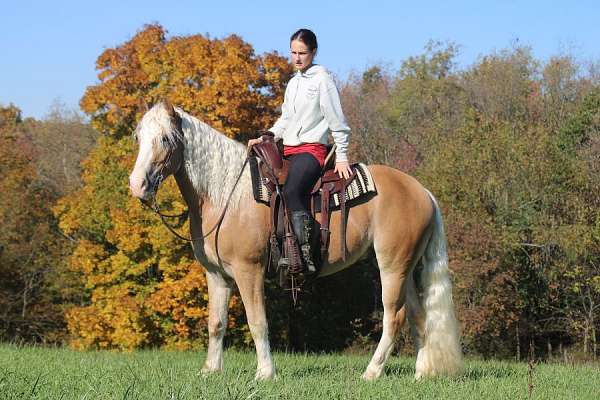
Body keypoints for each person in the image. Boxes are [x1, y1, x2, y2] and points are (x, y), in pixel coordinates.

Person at [248, 28, 351, 273]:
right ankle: (278, 249)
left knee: (292, 190)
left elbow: (337, 120)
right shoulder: (293, 83)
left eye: (302, 53)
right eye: (293, 52)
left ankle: (304, 253)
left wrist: (343, 154)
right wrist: (267, 136)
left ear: (313, 52)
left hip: (312, 150)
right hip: (289, 151)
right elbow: (286, 120)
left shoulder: (322, 80)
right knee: (270, 187)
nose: (297, 58)